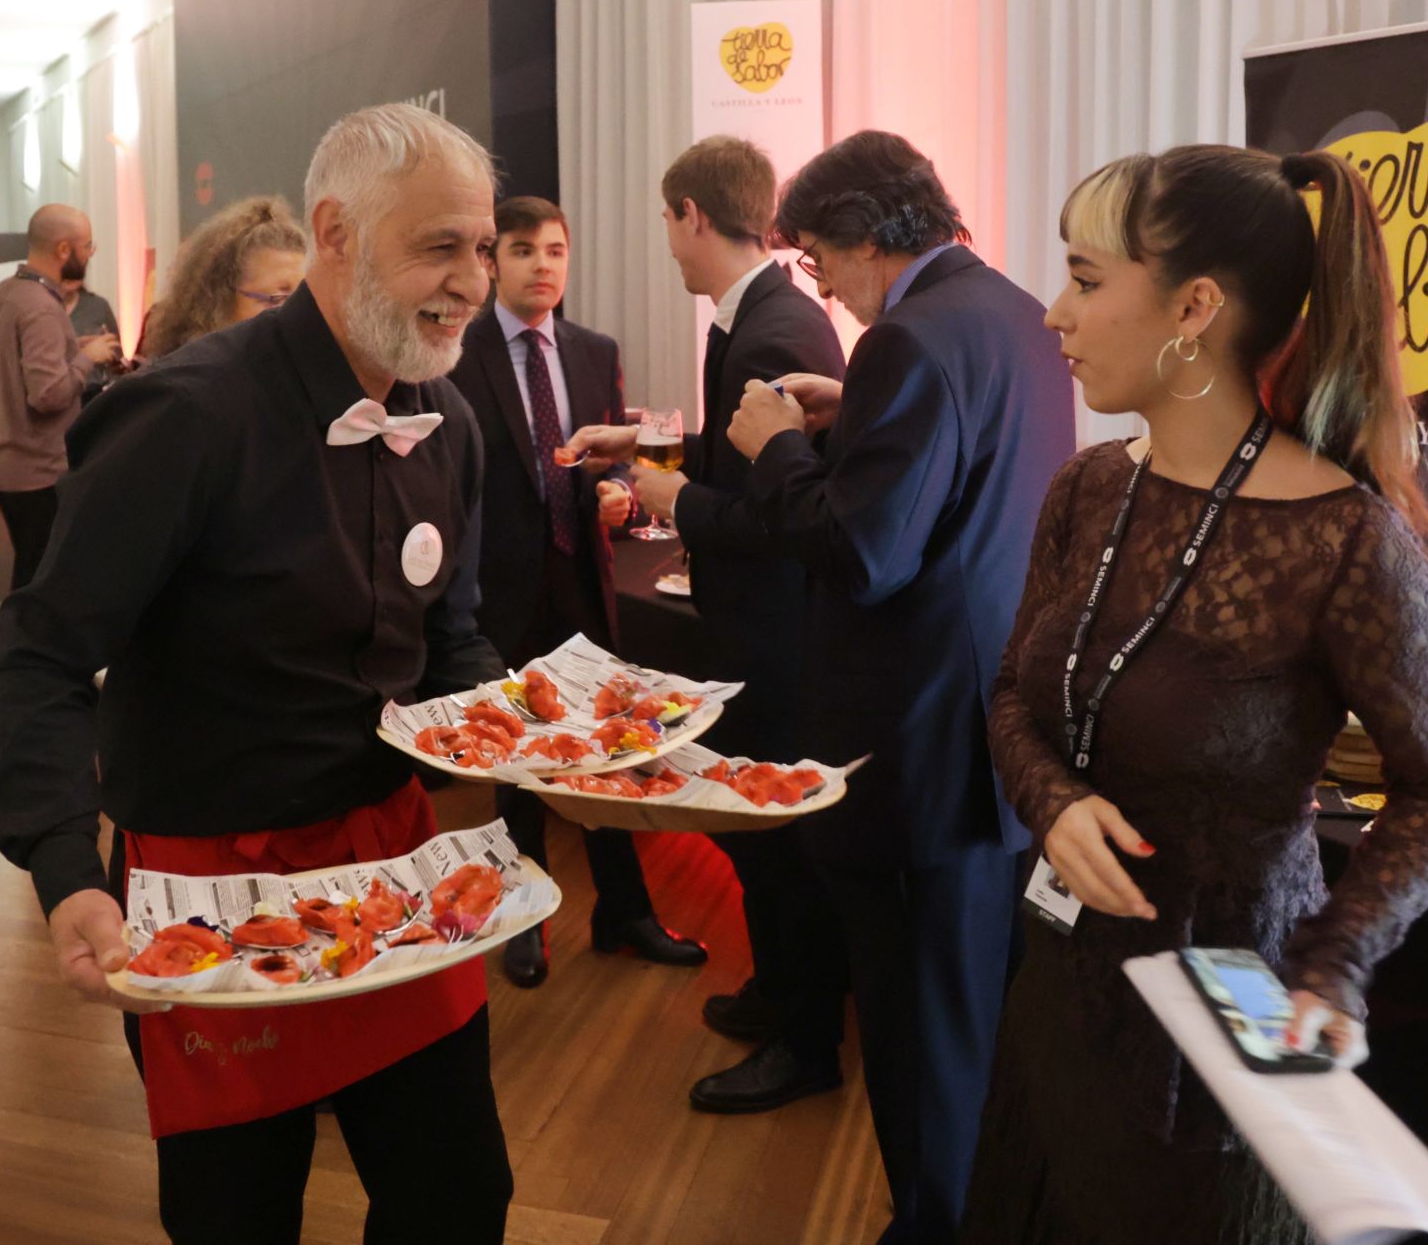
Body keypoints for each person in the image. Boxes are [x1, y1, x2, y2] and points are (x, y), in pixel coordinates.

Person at [0, 103, 515, 1241]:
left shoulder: (453, 420)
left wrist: (543, 750)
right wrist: (67, 866)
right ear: (334, 232)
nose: (475, 278)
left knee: (460, 1194)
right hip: (209, 882)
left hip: (394, 863)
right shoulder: (186, 415)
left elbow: (452, 635)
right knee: (236, 1218)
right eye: (441, 245)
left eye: (482, 246)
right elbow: (41, 655)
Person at [959, 147, 1428, 1244]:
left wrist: (1337, 959)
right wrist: (1051, 799)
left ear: (1194, 306)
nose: (1056, 313)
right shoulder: (1091, 487)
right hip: (1061, 990)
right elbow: (1012, 691)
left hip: (1228, 1014)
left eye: (1087, 279)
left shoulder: (1349, 543)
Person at [721, 130, 1075, 1242]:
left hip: (917, 750)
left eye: (823, 259)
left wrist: (776, 445)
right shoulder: (1011, 309)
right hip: (995, 734)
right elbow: (948, 495)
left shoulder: (910, 339)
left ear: (874, 233)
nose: (824, 286)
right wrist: (849, 415)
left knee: (921, 1039)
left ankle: (931, 1224)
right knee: (978, 1018)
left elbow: (868, 554)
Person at [616, 135, 852, 1112]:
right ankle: (785, 995)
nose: (667, 246)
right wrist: (650, 449)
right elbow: (745, 460)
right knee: (758, 833)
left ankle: (805, 1039)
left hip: (780, 636)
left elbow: (782, 512)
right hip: (765, 629)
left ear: (691, 216)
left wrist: (672, 500)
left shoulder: (774, 329)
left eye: (668, 224)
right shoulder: (759, 317)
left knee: (773, 837)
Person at [448, 195, 706, 989]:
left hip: (582, 581)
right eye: (524, 250)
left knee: (605, 750)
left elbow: (613, 463)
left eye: (556, 250)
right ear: (493, 263)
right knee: (518, 761)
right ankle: (523, 918)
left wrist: (618, 493)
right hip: (497, 586)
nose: (543, 266)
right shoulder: (459, 353)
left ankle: (622, 911)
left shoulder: (594, 351)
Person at [0, 204, 122, 591]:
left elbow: (17, 362)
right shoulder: (41, 306)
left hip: (4, 463)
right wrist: (86, 360)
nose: (91, 254)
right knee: (38, 582)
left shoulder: (4, 294)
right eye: (88, 246)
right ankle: (24, 651)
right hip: (36, 473)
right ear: (63, 250)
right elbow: (47, 394)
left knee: (31, 573)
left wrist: (73, 345)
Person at [141, 195, 307, 359]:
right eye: (276, 299)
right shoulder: (176, 382)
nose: (296, 314)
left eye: (302, 299)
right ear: (216, 303)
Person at [61, 275, 121, 402]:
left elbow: (117, 358)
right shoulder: (41, 309)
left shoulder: (99, 306)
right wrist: (87, 354)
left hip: (95, 397)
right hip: (62, 399)